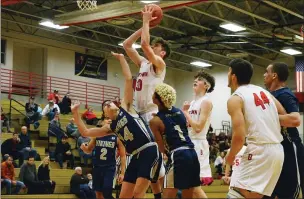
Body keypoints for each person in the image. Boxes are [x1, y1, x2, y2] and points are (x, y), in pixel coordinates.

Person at [71, 52, 161, 198]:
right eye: (104, 105)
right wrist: (75, 113)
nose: (107, 103)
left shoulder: (127, 107)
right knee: (124, 196)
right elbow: (86, 132)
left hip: (149, 150)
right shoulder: (110, 127)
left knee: (138, 194)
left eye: (109, 102)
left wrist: (122, 59)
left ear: (116, 105)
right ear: (106, 114)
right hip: (135, 155)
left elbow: (127, 79)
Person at [225, 59, 300, 198]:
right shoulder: (263, 91)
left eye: (229, 72)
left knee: (236, 190)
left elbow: (239, 136)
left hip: (259, 149)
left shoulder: (235, 99)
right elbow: (283, 113)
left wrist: (229, 158)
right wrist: (266, 118)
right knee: (256, 196)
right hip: (278, 150)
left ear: (233, 76)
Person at [123, 6, 171, 198]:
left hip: (151, 114)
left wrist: (145, 22)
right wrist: (145, 25)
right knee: (143, 162)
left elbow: (144, 44)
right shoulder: (143, 63)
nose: (154, 47)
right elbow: (127, 45)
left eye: (157, 46)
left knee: (151, 164)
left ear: (163, 53)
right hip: (138, 113)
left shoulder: (160, 65)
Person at [149, 83, 207, 198]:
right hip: (192, 153)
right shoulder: (180, 113)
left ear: (157, 99)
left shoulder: (154, 121)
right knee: (188, 195)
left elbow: (161, 148)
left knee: (167, 195)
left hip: (178, 155)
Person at [264, 62, 303, 198]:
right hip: (274, 148)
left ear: (274, 75)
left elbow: (295, 120)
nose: (264, 75)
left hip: (290, 147)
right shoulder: (267, 95)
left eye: (266, 72)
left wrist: (268, 117)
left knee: (291, 192)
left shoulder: (285, 95)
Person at [182, 70, 215, 185]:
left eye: (200, 80)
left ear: (206, 86)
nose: (196, 81)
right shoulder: (191, 103)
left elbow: (198, 128)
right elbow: (189, 125)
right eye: (195, 79)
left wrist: (185, 112)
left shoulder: (206, 102)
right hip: (188, 142)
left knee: (196, 182)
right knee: (187, 183)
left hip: (198, 143)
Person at [80, 116, 126, 199]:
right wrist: (84, 148)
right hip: (97, 167)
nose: (109, 120)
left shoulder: (117, 137)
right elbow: (89, 150)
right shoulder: (96, 135)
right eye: (107, 118)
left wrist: (122, 173)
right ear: (102, 122)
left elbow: (123, 156)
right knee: (98, 193)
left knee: (106, 191)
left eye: (111, 119)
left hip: (109, 168)